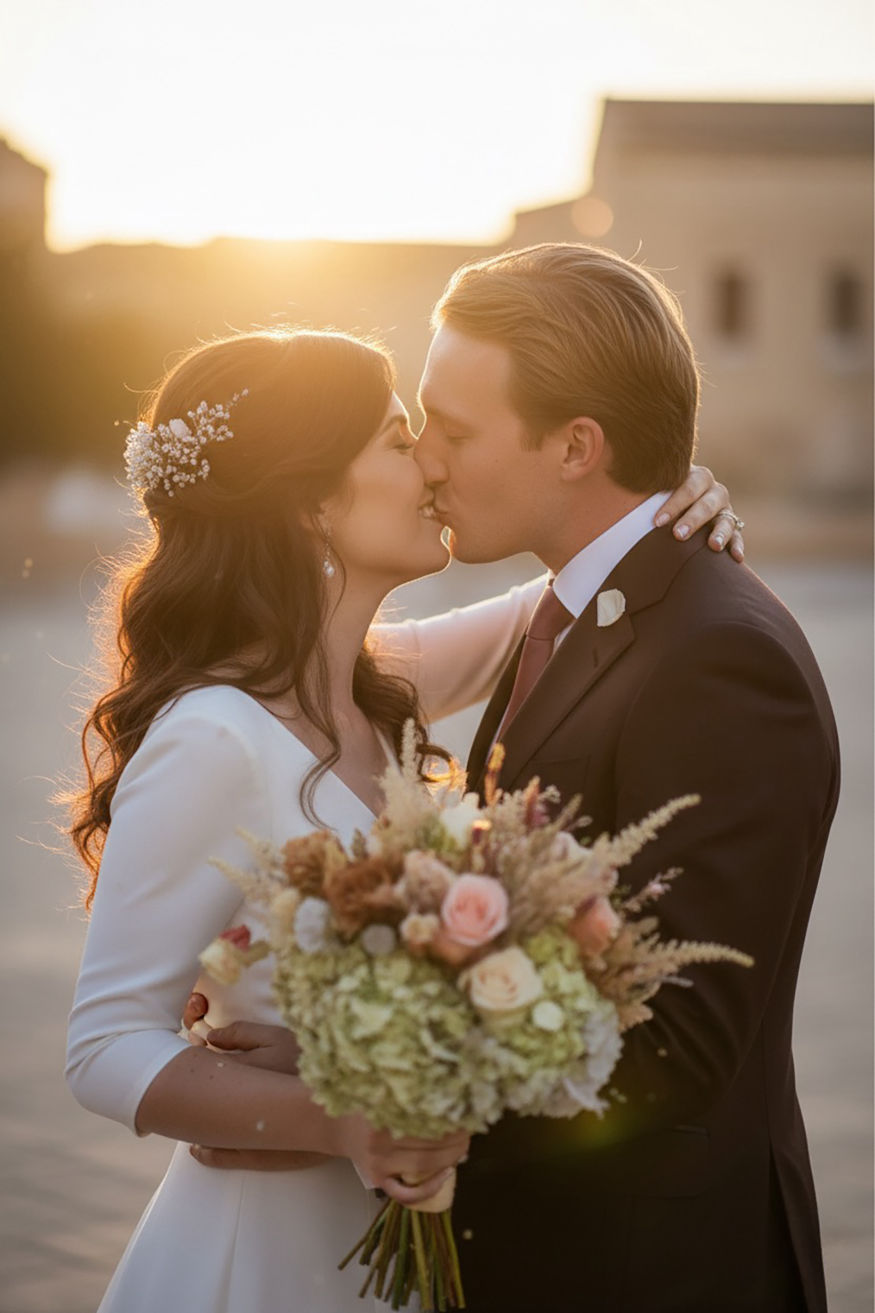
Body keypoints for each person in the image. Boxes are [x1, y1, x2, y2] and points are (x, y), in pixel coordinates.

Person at [189, 245, 837, 1313]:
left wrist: (355, 1087)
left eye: (452, 428)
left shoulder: (720, 658)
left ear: (576, 444)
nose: (426, 460)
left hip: (651, 1271)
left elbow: (678, 1042)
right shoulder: (569, 609)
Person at [65, 322, 737, 1313]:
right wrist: (338, 1116)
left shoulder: (379, 682)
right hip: (266, 1253)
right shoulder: (215, 734)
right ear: (307, 502)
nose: (427, 459)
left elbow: (564, 587)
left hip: (390, 1247)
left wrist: (669, 508)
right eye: (393, 437)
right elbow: (104, 1043)